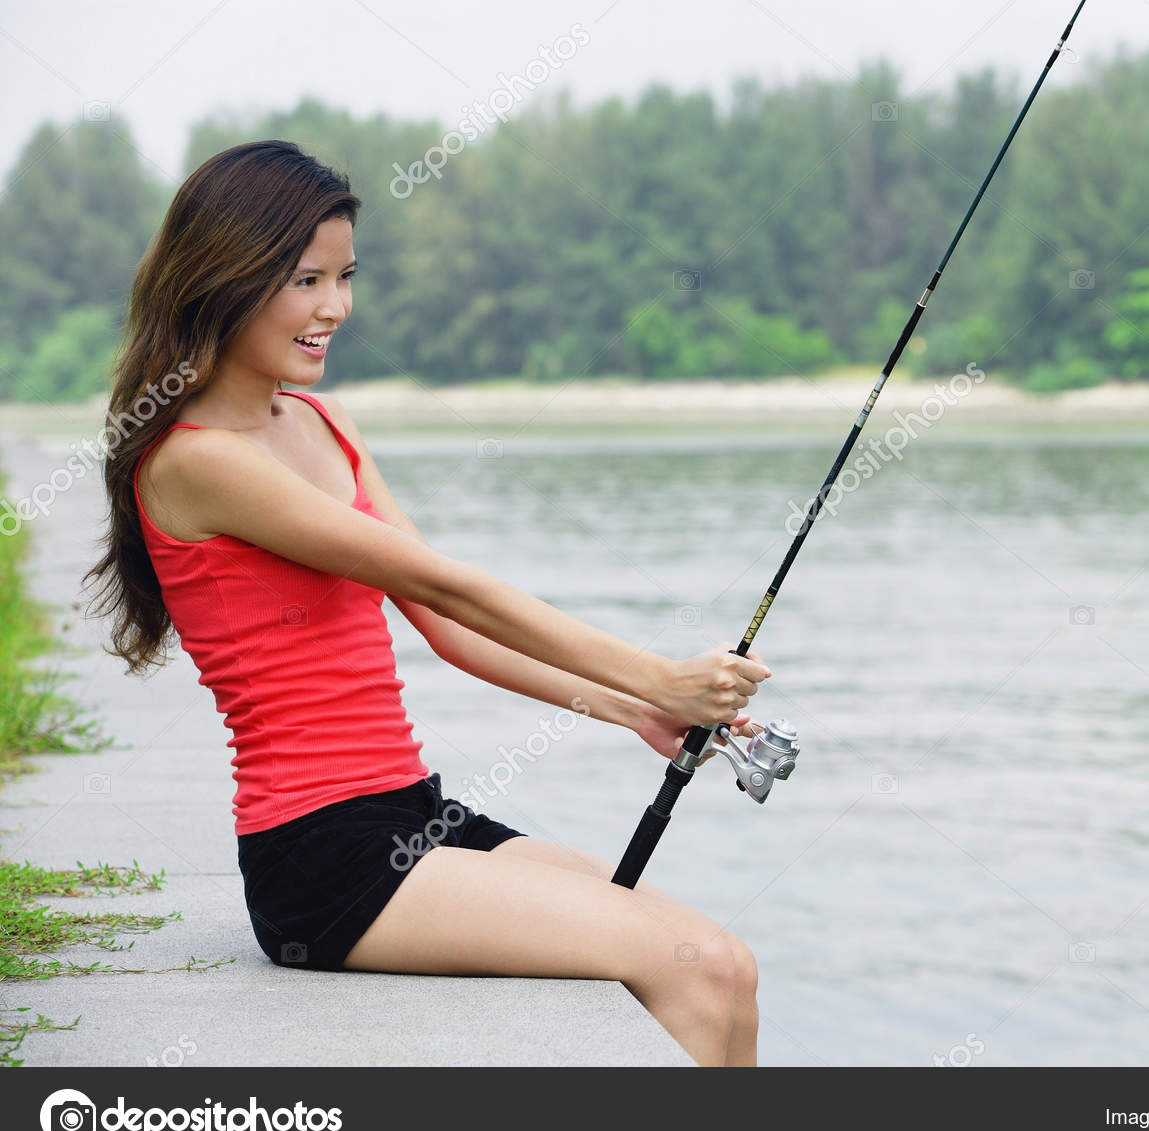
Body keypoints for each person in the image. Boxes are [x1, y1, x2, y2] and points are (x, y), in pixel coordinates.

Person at [82, 140, 770, 1067]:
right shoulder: (197, 460)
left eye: (345, 276)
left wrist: (633, 708)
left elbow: (446, 631)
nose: (336, 307)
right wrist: (663, 672)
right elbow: (448, 584)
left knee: (727, 966)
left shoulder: (326, 424)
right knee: (692, 969)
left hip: (413, 816)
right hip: (321, 860)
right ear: (227, 278)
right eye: (306, 279)